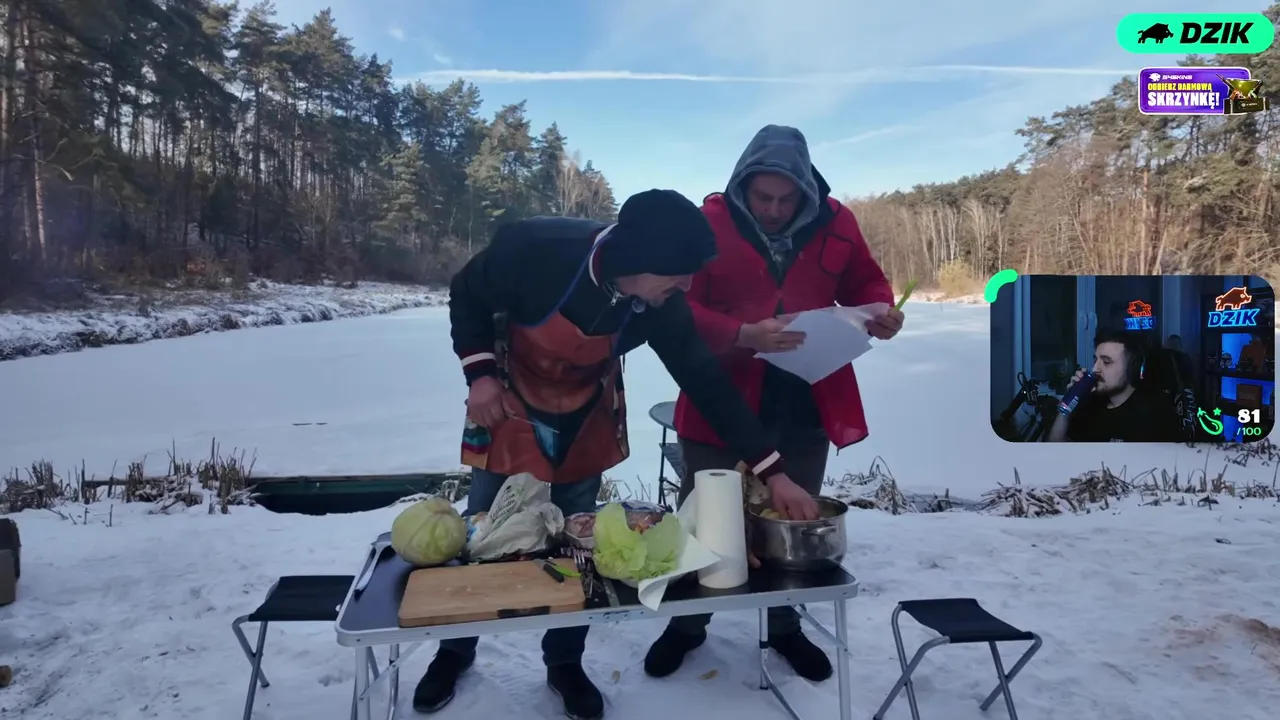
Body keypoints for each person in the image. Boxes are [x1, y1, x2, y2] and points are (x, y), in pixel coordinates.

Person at [416, 189, 812, 720]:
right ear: (637, 259)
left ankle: (564, 662)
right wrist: (480, 374)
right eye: (678, 274)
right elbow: (466, 292)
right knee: (482, 532)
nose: (687, 287)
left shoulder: (660, 305)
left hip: (587, 408)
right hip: (508, 398)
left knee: (578, 545)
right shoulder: (535, 247)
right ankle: (454, 650)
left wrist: (774, 471)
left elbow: (707, 383)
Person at [642, 124, 901, 684]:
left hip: (808, 395)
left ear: (806, 191)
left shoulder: (838, 222)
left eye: (787, 199)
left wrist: (881, 311)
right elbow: (677, 309)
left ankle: (784, 626)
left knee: (795, 520)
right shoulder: (706, 224)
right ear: (742, 185)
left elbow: (867, 283)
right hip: (720, 396)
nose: (775, 210)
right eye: (764, 197)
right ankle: (687, 625)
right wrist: (742, 333)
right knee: (706, 520)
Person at [1045, 328, 1181, 443]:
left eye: (1106, 362)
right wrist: (1069, 403)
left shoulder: (1155, 413)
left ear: (1131, 368)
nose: (1095, 369)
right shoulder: (1088, 404)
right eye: (1095, 360)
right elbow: (1055, 450)